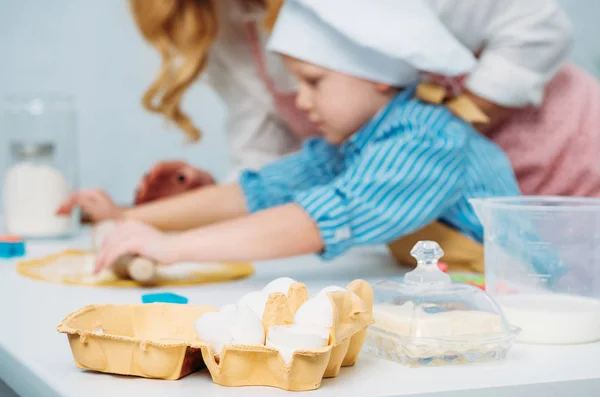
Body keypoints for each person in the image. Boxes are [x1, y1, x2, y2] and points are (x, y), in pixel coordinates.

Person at [90, 0, 521, 273]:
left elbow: (319, 220)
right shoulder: (353, 143)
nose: (301, 101)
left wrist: (173, 249)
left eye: (314, 82)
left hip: (513, 296)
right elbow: (258, 192)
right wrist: (127, 219)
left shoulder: (427, 140)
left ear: (379, 79)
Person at [121, 0, 600, 205]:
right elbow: (272, 159)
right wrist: (208, 199)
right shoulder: (219, 23)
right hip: (462, 223)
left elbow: (539, 25)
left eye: (315, 81)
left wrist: (428, 139)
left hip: (571, 165)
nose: (304, 100)